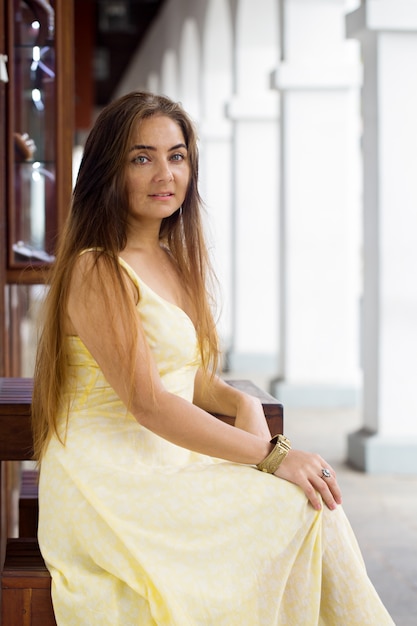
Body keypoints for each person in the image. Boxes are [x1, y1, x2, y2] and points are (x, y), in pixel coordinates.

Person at [32, 91, 394, 626]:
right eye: (142, 157)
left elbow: (186, 374)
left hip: (169, 466)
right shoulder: (96, 269)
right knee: (304, 503)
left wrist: (238, 401)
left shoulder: (171, 260)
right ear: (110, 170)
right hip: (109, 483)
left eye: (176, 156)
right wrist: (270, 455)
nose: (164, 173)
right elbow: (149, 401)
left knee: (313, 503)